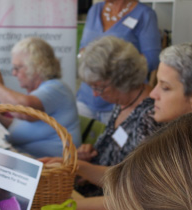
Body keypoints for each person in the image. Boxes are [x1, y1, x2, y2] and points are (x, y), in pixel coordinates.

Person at [68, 40, 192, 210]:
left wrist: (69, 204)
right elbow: (129, 183)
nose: (153, 93)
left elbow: (136, 200)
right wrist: (80, 167)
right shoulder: (180, 136)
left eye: (165, 87)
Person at [62, 36, 159, 197]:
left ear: (122, 79)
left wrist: (84, 168)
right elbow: (115, 153)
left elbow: (138, 182)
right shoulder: (122, 103)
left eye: (99, 87)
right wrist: (91, 155)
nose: (95, 94)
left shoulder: (150, 115)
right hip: (96, 190)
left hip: (113, 203)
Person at [76, 0, 161, 123]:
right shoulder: (95, 10)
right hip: (86, 98)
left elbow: (152, 60)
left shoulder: (145, 15)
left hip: (120, 101)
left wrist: (112, 70)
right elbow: (83, 50)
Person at [0, 36, 80, 158]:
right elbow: (24, 125)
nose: (14, 73)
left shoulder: (56, 89)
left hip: (51, 166)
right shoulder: (40, 93)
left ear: (37, 67)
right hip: (29, 160)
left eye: (17, 68)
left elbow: (24, 111)